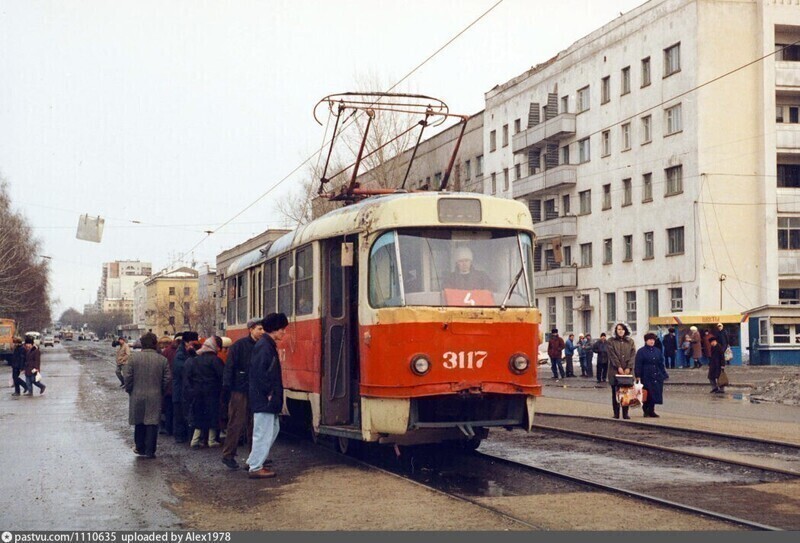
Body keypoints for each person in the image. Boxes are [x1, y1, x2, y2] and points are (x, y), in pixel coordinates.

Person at [247, 312, 288, 479]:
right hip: (265, 397)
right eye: (282, 329)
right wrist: (269, 393)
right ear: (275, 330)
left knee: (271, 429)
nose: (284, 332)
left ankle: (253, 461)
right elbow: (261, 374)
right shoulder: (265, 347)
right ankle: (256, 466)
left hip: (264, 397)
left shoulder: (265, 344)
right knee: (263, 432)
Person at [222, 318, 264, 470]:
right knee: (236, 423)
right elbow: (229, 367)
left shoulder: (260, 345)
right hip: (240, 390)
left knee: (255, 425)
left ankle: (255, 458)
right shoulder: (239, 346)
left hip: (255, 390)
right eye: (259, 329)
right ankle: (228, 455)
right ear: (251, 329)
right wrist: (228, 388)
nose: (262, 332)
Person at [124, 332, 170, 458]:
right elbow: (167, 379)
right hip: (155, 395)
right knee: (152, 422)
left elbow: (128, 377)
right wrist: (160, 390)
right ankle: (150, 451)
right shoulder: (162, 360)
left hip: (137, 394)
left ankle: (140, 448)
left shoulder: (133, 358)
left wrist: (130, 390)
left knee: (139, 421)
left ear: (142, 344)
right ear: (155, 344)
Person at [185, 336, 224, 449]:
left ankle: (195, 440)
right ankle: (211, 440)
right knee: (213, 415)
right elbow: (222, 376)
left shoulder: (196, 359)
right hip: (212, 391)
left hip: (197, 391)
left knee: (199, 416)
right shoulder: (215, 360)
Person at [172, 331, 199, 443]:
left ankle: (184, 436)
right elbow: (182, 370)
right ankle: (180, 436)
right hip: (180, 389)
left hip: (185, 389)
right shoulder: (180, 354)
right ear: (187, 342)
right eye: (193, 343)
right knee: (180, 414)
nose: (194, 346)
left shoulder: (186, 352)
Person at [635, 332, 669, 418]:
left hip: (656, 375)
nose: (652, 341)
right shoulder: (641, 351)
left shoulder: (657, 351)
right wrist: (638, 375)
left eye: (653, 340)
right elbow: (638, 364)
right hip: (646, 375)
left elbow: (661, 363)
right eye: (650, 340)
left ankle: (652, 410)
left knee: (655, 393)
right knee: (646, 393)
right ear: (646, 341)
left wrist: (664, 374)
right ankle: (645, 410)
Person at [607, 323, 635, 419]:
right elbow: (612, 355)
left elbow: (633, 355)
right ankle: (616, 413)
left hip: (627, 372)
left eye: (622, 329)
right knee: (615, 392)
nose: (620, 331)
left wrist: (628, 367)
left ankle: (625, 413)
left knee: (626, 392)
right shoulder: (611, 341)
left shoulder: (630, 342)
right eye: (618, 329)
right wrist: (618, 366)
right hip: (615, 371)